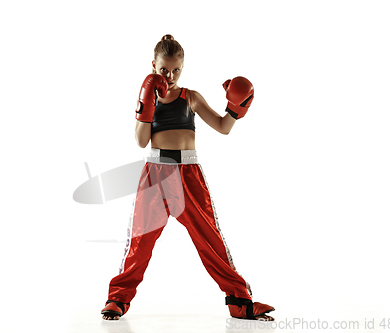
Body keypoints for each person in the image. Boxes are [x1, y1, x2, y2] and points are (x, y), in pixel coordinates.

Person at [101, 34, 275, 321]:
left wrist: (235, 108)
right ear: (153, 66)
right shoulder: (149, 97)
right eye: (163, 70)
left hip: (188, 175)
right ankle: (117, 299)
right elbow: (141, 141)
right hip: (155, 173)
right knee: (139, 241)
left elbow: (223, 127)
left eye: (175, 70)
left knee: (211, 238)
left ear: (182, 68)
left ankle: (240, 301)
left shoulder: (190, 97)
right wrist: (147, 106)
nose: (169, 76)